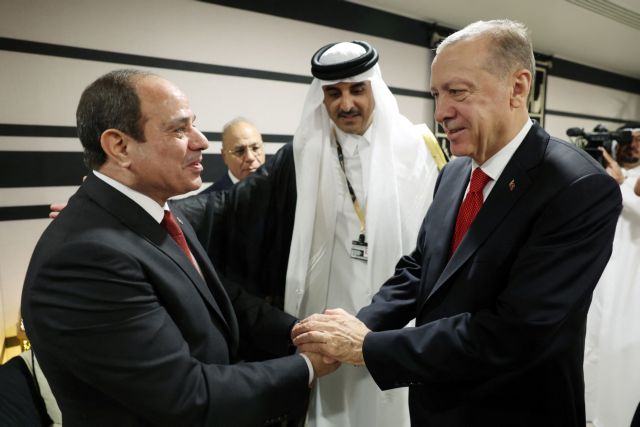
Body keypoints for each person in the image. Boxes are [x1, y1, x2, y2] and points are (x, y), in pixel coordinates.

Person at [292, 19, 622, 426]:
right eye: (436, 94)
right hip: (437, 405)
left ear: (518, 88)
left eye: (457, 92)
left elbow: (514, 333)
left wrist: (369, 347)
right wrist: (361, 323)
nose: (441, 112)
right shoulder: (455, 172)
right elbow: (421, 269)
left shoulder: (577, 187)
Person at [21, 69, 337, 427]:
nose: (201, 141)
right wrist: (307, 366)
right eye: (179, 129)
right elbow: (187, 396)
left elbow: (215, 299)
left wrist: (300, 331)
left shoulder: (160, 212)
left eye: (195, 126)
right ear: (120, 146)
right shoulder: (84, 258)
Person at [177, 41, 441, 427]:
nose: (345, 104)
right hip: (325, 312)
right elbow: (226, 207)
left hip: (396, 312)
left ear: (374, 88)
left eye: (356, 90)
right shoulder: (301, 154)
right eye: (333, 93)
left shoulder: (418, 149)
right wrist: (147, 207)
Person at [584, 127, 640, 427]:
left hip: (630, 290)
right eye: (629, 139)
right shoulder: (608, 176)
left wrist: (619, 184)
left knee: (620, 359)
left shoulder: (627, 183)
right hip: (600, 282)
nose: (633, 145)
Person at [200, 117, 265, 193]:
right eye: (240, 151)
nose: (250, 157)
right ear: (224, 156)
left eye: (255, 148)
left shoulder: (279, 191)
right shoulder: (207, 201)